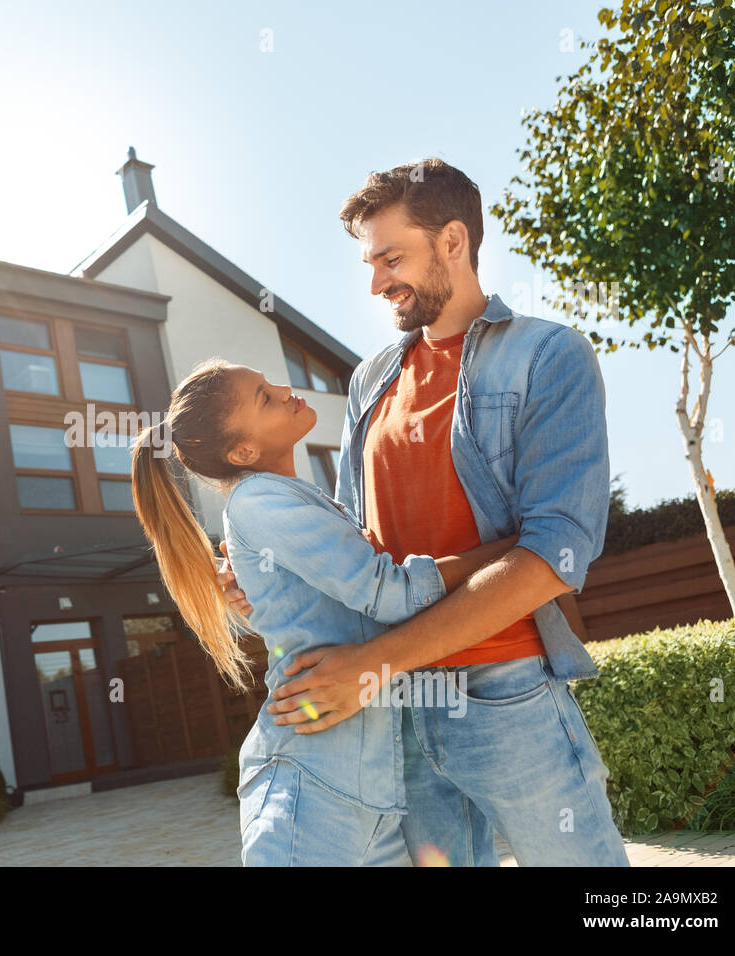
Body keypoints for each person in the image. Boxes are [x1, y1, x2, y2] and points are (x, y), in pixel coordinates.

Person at [218, 158, 629, 866]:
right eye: (369, 264)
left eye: (390, 258)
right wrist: (273, 589)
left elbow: (556, 556)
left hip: (504, 693)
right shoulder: (370, 381)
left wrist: (371, 663)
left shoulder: (547, 355)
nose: (376, 282)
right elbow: (355, 550)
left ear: (453, 241)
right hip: (395, 714)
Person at [130, 357, 519, 865]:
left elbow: (319, 608)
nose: (285, 388)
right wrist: (513, 550)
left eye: (269, 382)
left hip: (370, 786)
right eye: (265, 397)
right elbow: (389, 592)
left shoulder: (304, 499)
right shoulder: (258, 503)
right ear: (244, 451)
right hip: (309, 786)